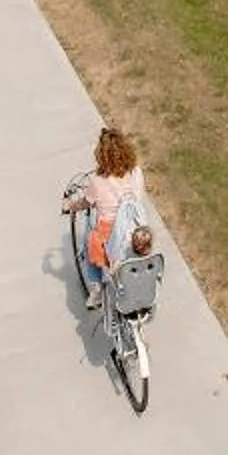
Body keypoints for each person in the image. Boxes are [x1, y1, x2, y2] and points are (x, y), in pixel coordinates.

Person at [63, 126, 152, 327]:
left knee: (92, 243)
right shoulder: (136, 172)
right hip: (136, 229)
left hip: (110, 232)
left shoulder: (98, 181)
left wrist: (72, 206)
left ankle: (95, 291)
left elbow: (86, 201)